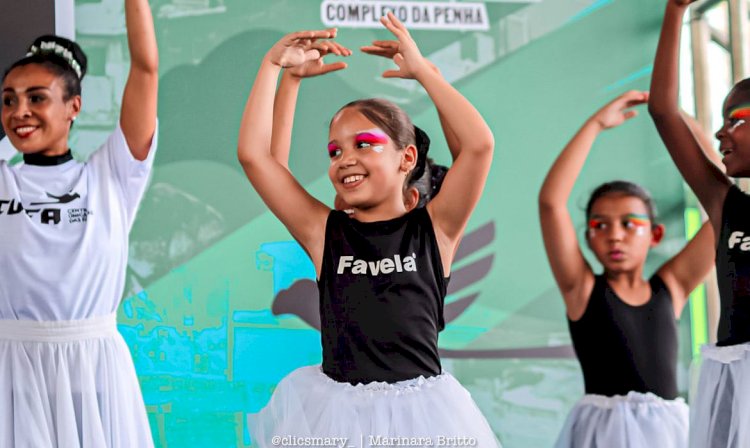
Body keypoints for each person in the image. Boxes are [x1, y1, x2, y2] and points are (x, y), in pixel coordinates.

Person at [238, 15, 500, 446]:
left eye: (364, 144)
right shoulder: (325, 233)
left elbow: (478, 145)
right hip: (337, 420)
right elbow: (258, 158)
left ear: (406, 157)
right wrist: (275, 70)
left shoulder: (436, 230)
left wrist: (424, 73)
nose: (345, 158)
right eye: (335, 150)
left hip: (424, 422)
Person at [0, 0, 158, 446]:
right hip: (11, 369)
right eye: (8, 100)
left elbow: (145, 69)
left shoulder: (112, 175)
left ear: (74, 106)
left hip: (94, 368)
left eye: (37, 98)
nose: (19, 111)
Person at [539, 91, 715, 447]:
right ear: (586, 238)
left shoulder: (673, 286)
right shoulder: (582, 289)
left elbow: (720, 207)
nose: (614, 236)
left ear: (655, 234)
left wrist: (679, 121)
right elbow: (551, 203)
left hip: (669, 435)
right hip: (601, 435)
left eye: (629, 224)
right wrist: (595, 125)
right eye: (600, 226)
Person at [649, 1, 750, 446]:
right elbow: (664, 111)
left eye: (737, 120)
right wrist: (675, 11)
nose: (720, 133)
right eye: (721, 120)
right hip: (733, 381)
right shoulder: (726, 204)